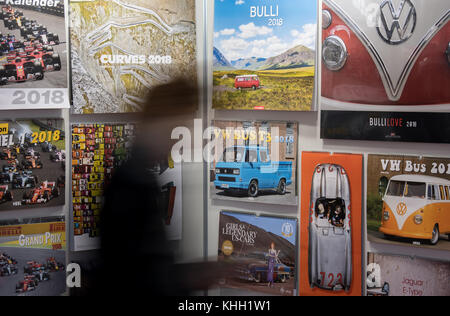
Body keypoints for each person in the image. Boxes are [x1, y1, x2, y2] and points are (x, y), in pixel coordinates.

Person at [80, 79, 232, 296]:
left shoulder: (138, 176)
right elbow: (134, 279)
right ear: (162, 122)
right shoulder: (132, 183)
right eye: (178, 124)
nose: (179, 137)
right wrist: (190, 277)